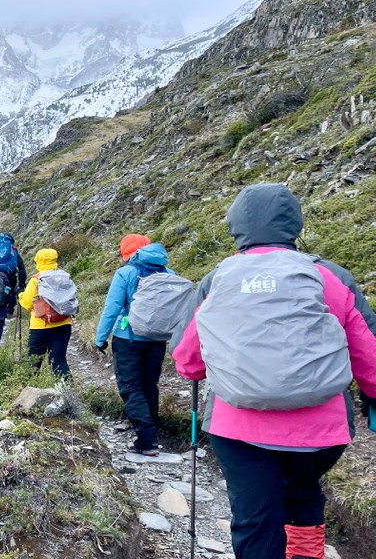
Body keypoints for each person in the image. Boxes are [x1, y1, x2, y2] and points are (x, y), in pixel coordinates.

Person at [172, 183, 376, 559]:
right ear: (294, 224)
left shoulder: (219, 278)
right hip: (321, 432)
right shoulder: (331, 276)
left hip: (239, 429)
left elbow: (188, 360)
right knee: (303, 494)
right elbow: (371, 356)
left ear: (237, 227)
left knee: (254, 516)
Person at [94, 235, 176, 456]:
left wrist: (100, 339)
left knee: (131, 387)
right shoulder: (170, 274)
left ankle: (147, 440)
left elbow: (112, 309)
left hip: (128, 338)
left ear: (126, 253)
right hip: (158, 340)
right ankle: (150, 432)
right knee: (150, 385)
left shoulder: (126, 273)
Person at [18, 248, 72, 378]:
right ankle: (69, 392)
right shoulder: (65, 276)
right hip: (64, 324)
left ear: (38, 261)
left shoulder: (36, 280)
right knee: (59, 361)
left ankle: (29, 392)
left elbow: (27, 303)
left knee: (33, 363)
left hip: (40, 327)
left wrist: (20, 294)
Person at [0, 233, 27, 315]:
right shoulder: (14, 251)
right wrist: (21, 283)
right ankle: (9, 311)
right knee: (11, 292)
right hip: (11, 276)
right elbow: (21, 268)